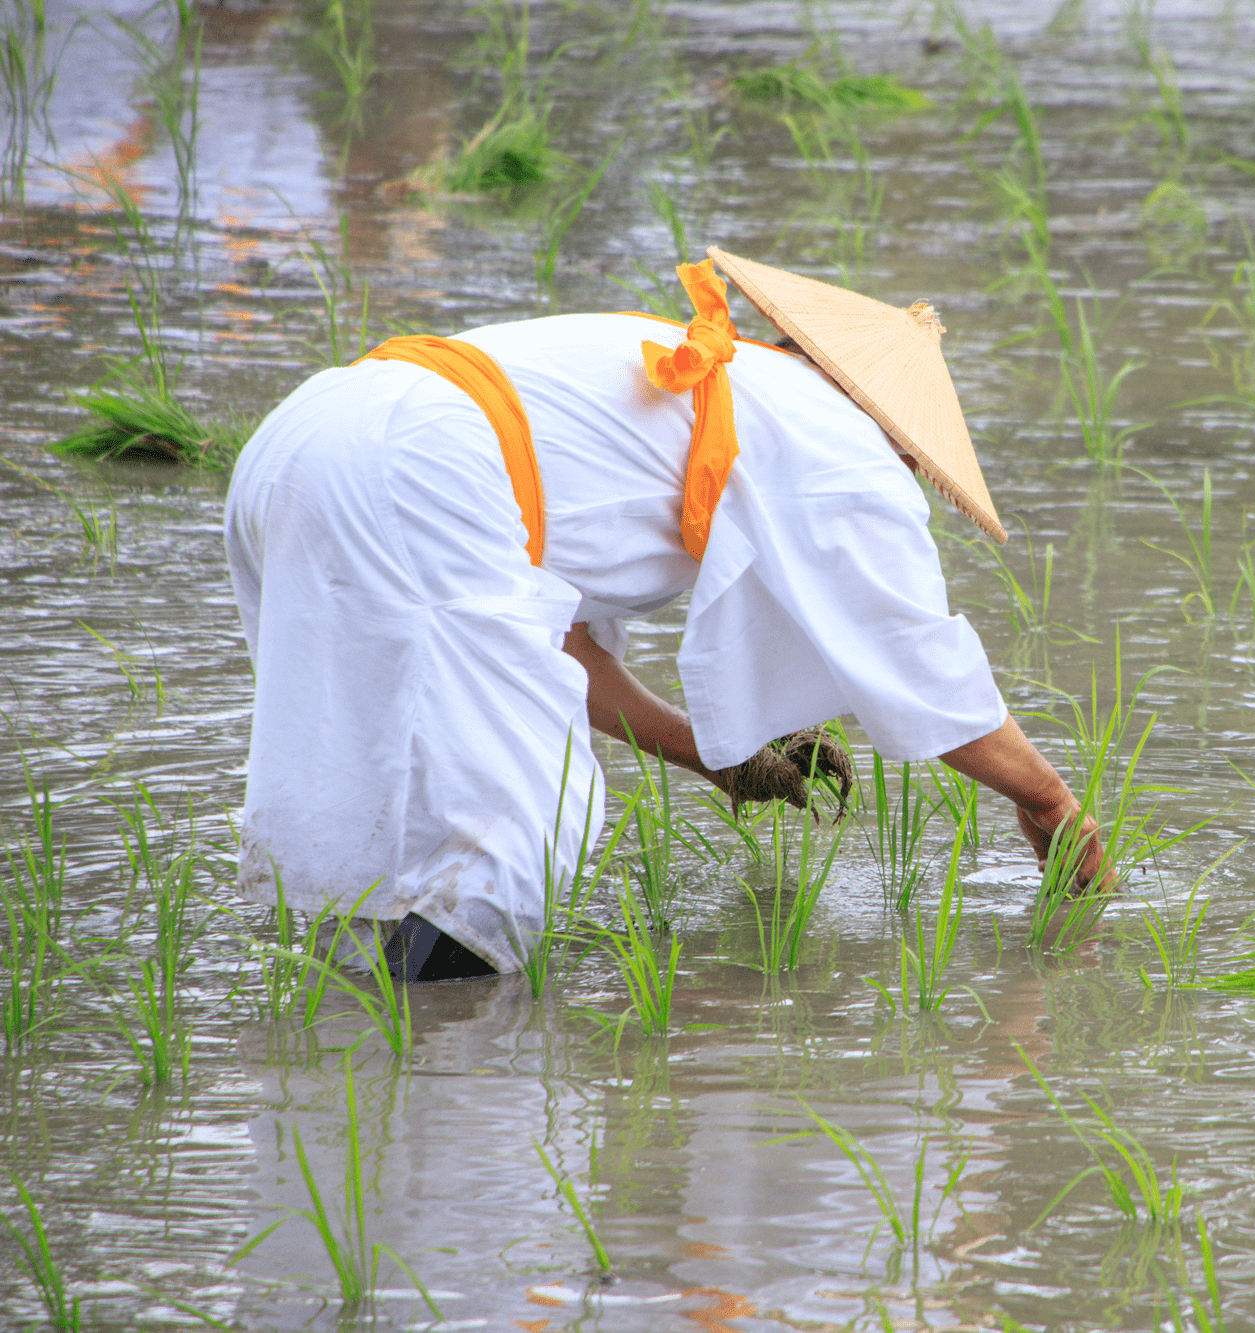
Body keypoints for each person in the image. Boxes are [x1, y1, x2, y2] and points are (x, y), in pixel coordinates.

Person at [224, 246, 1103, 981]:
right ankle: (452, 1081)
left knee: (385, 776)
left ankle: (355, 1048)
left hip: (303, 435)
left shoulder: (721, 381)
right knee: (521, 817)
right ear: (902, 444)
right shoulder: (844, 444)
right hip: (419, 468)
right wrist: (1051, 800)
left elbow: (560, 651)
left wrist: (717, 759)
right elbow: (916, 663)